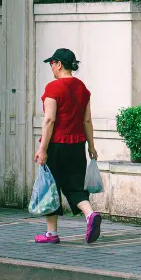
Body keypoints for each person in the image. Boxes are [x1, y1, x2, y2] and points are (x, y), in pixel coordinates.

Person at [33, 47, 102, 244]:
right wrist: (91, 146)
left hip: (56, 146)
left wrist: (42, 149)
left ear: (59, 64)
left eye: (52, 64)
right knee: (75, 185)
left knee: (50, 188)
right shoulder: (82, 88)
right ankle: (90, 215)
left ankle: (51, 233)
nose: (51, 67)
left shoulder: (53, 88)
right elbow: (87, 121)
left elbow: (49, 120)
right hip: (78, 145)